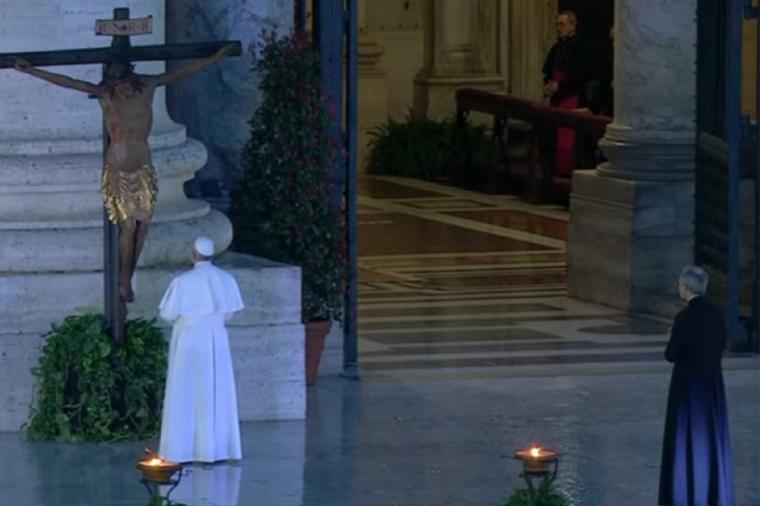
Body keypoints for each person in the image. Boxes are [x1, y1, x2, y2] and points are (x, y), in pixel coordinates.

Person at [9, 44, 236, 303]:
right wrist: (32, 71)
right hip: (119, 169)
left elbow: (183, 72)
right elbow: (69, 82)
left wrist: (216, 57)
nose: (121, 89)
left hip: (143, 167)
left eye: (123, 83)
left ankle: (129, 273)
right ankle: (124, 281)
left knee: (144, 225)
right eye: (116, 84)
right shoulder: (106, 94)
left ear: (131, 76)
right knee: (128, 225)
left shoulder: (148, 86)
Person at [158, 236, 244, 463]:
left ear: (194, 255)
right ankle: (217, 449)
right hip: (217, 339)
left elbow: (167, 314)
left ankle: (182, 450)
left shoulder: (182, 281)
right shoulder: (227, 279)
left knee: (185, 392)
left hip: (189, 340)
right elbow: (229, 313)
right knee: (216, 391)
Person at [659, 266, 734, 506]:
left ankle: (684, 493)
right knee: (709, 437)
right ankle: (711, 492)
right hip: (711, 386)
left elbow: (672, 354)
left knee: (685, 438)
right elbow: (721, 343)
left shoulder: (684, 318)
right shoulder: (716, 315)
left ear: (685, 288)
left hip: (687, 387)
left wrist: (672, 337)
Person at [542, 10, 588, 179]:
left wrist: (560, 85)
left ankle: (568, 171)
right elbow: (548, 71)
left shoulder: (581, 47)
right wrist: (548, 84)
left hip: (572, 96)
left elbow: (582, 75)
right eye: (557, 24)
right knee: (554, 135)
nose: (558, 28)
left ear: (572, 25)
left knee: (569, 137)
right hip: (557, 97)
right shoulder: (556, 48)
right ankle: (555, 170)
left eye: (562, 24)